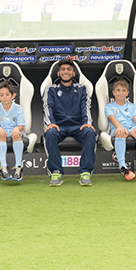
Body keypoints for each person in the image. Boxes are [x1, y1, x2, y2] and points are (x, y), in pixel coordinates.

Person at [43, 59, 96, 187]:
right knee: (50, 133)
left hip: (78, 126)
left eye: (69, 69)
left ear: (73, 73)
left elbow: (86, 107)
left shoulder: (82, 89)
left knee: (90, 132)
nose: (65, 72)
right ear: (58, 73)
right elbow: (47, 107)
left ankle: (85, 172)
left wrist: (87, 122)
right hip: (59, 126)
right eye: (63, 69)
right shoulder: (50, 89)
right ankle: (56, 172)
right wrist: (50, 123)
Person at [104, 78, 136, 181]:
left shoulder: (133, 106)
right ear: (113, 92)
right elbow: (111, 118)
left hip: (131, 127)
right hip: (118, 128)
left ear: (127, 93)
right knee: (121, 133)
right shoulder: (109, 107)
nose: (121, 93)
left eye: (123, 90)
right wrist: (119, 127)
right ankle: (123, 167)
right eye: (118, 90)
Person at [0, 81, 25, 181]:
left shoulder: (18, 108)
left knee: (17, 134)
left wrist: (17, 129)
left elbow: (21, 125)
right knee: (0, 134)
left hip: (14, 132)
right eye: (1, 95)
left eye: (7, 94)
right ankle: (3, 168)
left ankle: (18, 167)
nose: (5, 97)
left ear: (13, 96)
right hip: (2, 133)